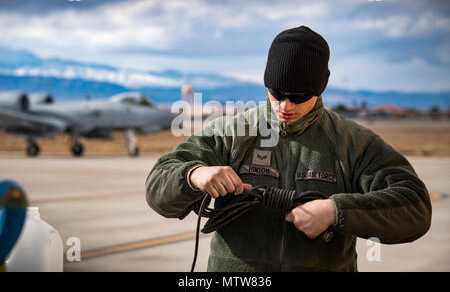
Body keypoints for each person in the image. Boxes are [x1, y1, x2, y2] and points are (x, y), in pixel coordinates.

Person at [145, 26, 432, 271]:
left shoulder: (354, 144)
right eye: (277, 93)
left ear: (321, 87)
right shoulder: (230, 134)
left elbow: (415, 208)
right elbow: (158, 185)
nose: (285, 106)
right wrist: (194, 175)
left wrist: (336, 211)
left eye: (298, 96)